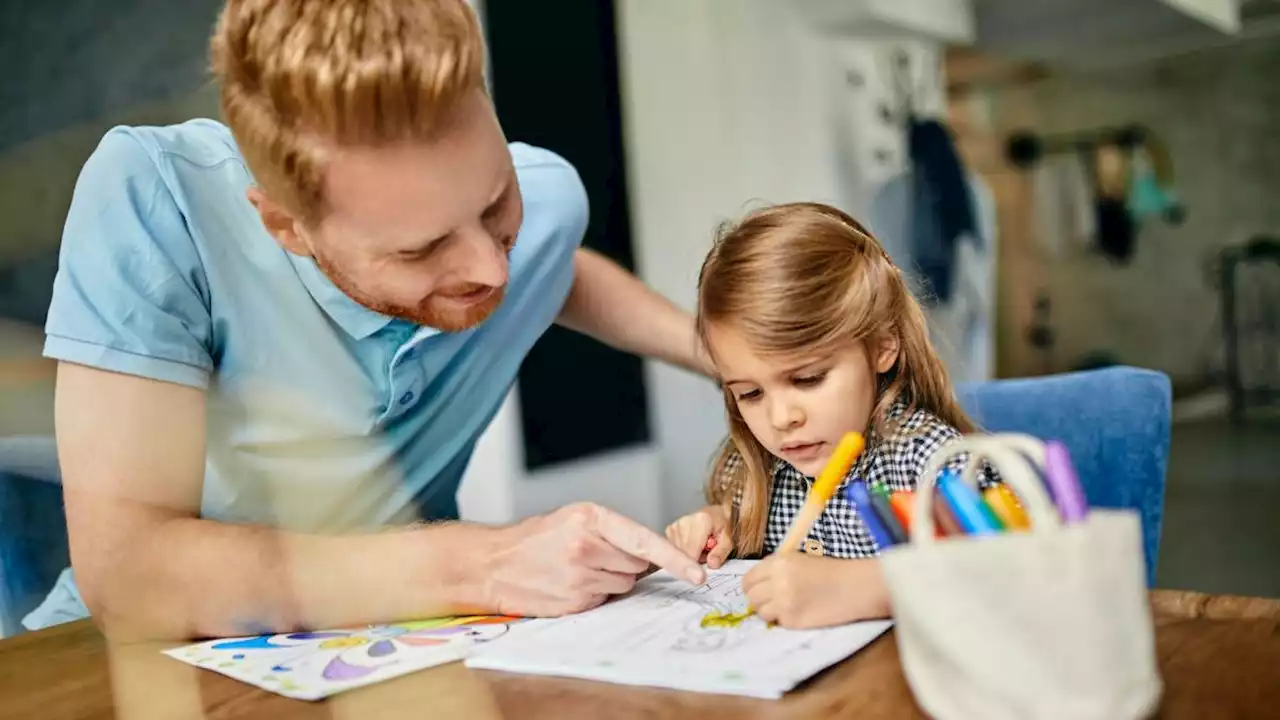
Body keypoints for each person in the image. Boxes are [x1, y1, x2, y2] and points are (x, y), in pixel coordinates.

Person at [34, 0, 709, 641]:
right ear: (285, 226)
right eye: (422, 249)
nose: (490, 269)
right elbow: (130, 576)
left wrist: (715, 352)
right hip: (119, 663)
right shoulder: (157, 201)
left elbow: (553, 270)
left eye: (497, 204)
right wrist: (481, 561)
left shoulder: (549, 198)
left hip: (409, 656)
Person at [665, 202, 980, 629]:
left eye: (808, 379)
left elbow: (1007, 573)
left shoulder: (927, 459)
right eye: (750, 393)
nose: (781, 417)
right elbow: (734, 527)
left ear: (881, 347)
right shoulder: (754, 466)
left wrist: (869, 587)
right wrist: (720, 523)